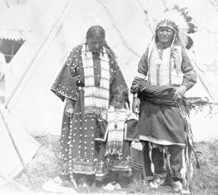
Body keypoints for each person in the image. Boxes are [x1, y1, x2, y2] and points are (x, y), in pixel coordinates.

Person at [51, 25, 130, 188]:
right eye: (93, 42)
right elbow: (68, 77)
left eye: (99, 43)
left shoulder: (108, 56)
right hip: (81, 103)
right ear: (87, 40)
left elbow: (117, 80)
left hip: (103, 106)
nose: (96, 46)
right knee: (82, 140)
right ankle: (80, 176)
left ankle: (97, 175)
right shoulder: (77, 53)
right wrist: (69, 103)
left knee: (99, 140)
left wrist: (119, 101)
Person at [131, 9, 197, 193]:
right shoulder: (149, 51)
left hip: (171, 102)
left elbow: (191, 75)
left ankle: (176, 178)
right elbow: (139, 75)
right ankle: (159, 175)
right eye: (161, 30)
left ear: (174, 34)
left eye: (168, 30)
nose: (164, 33)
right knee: (153, 142)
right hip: (151, 103)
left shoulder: (179, 52)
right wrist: (138, 95)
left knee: (176, 140)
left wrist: (182, 89)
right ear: (156, 32)